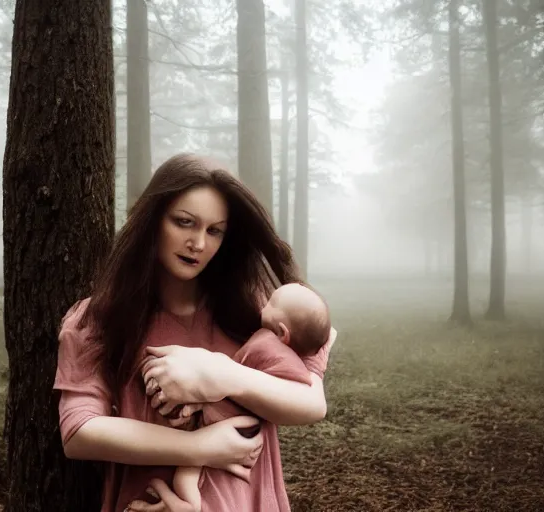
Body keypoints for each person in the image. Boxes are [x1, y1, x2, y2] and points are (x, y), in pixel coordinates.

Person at [54, 153, 336, 512]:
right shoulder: (98, 319)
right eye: (184, 222)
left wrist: (222, 374)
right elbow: (78, 433)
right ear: (153, 221)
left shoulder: (263, 313)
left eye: (214, 230)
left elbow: (311, 404)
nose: (199, 243)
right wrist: (199, 447)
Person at [138, 282, 333, 512]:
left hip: (234, 425)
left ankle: (189, 505)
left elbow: (309, 398)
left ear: (282, 332)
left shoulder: (268, 347)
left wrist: (216, 372)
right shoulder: (288, 341)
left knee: (187, 474)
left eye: (270, 303)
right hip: (240, 429)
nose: (263, 304)